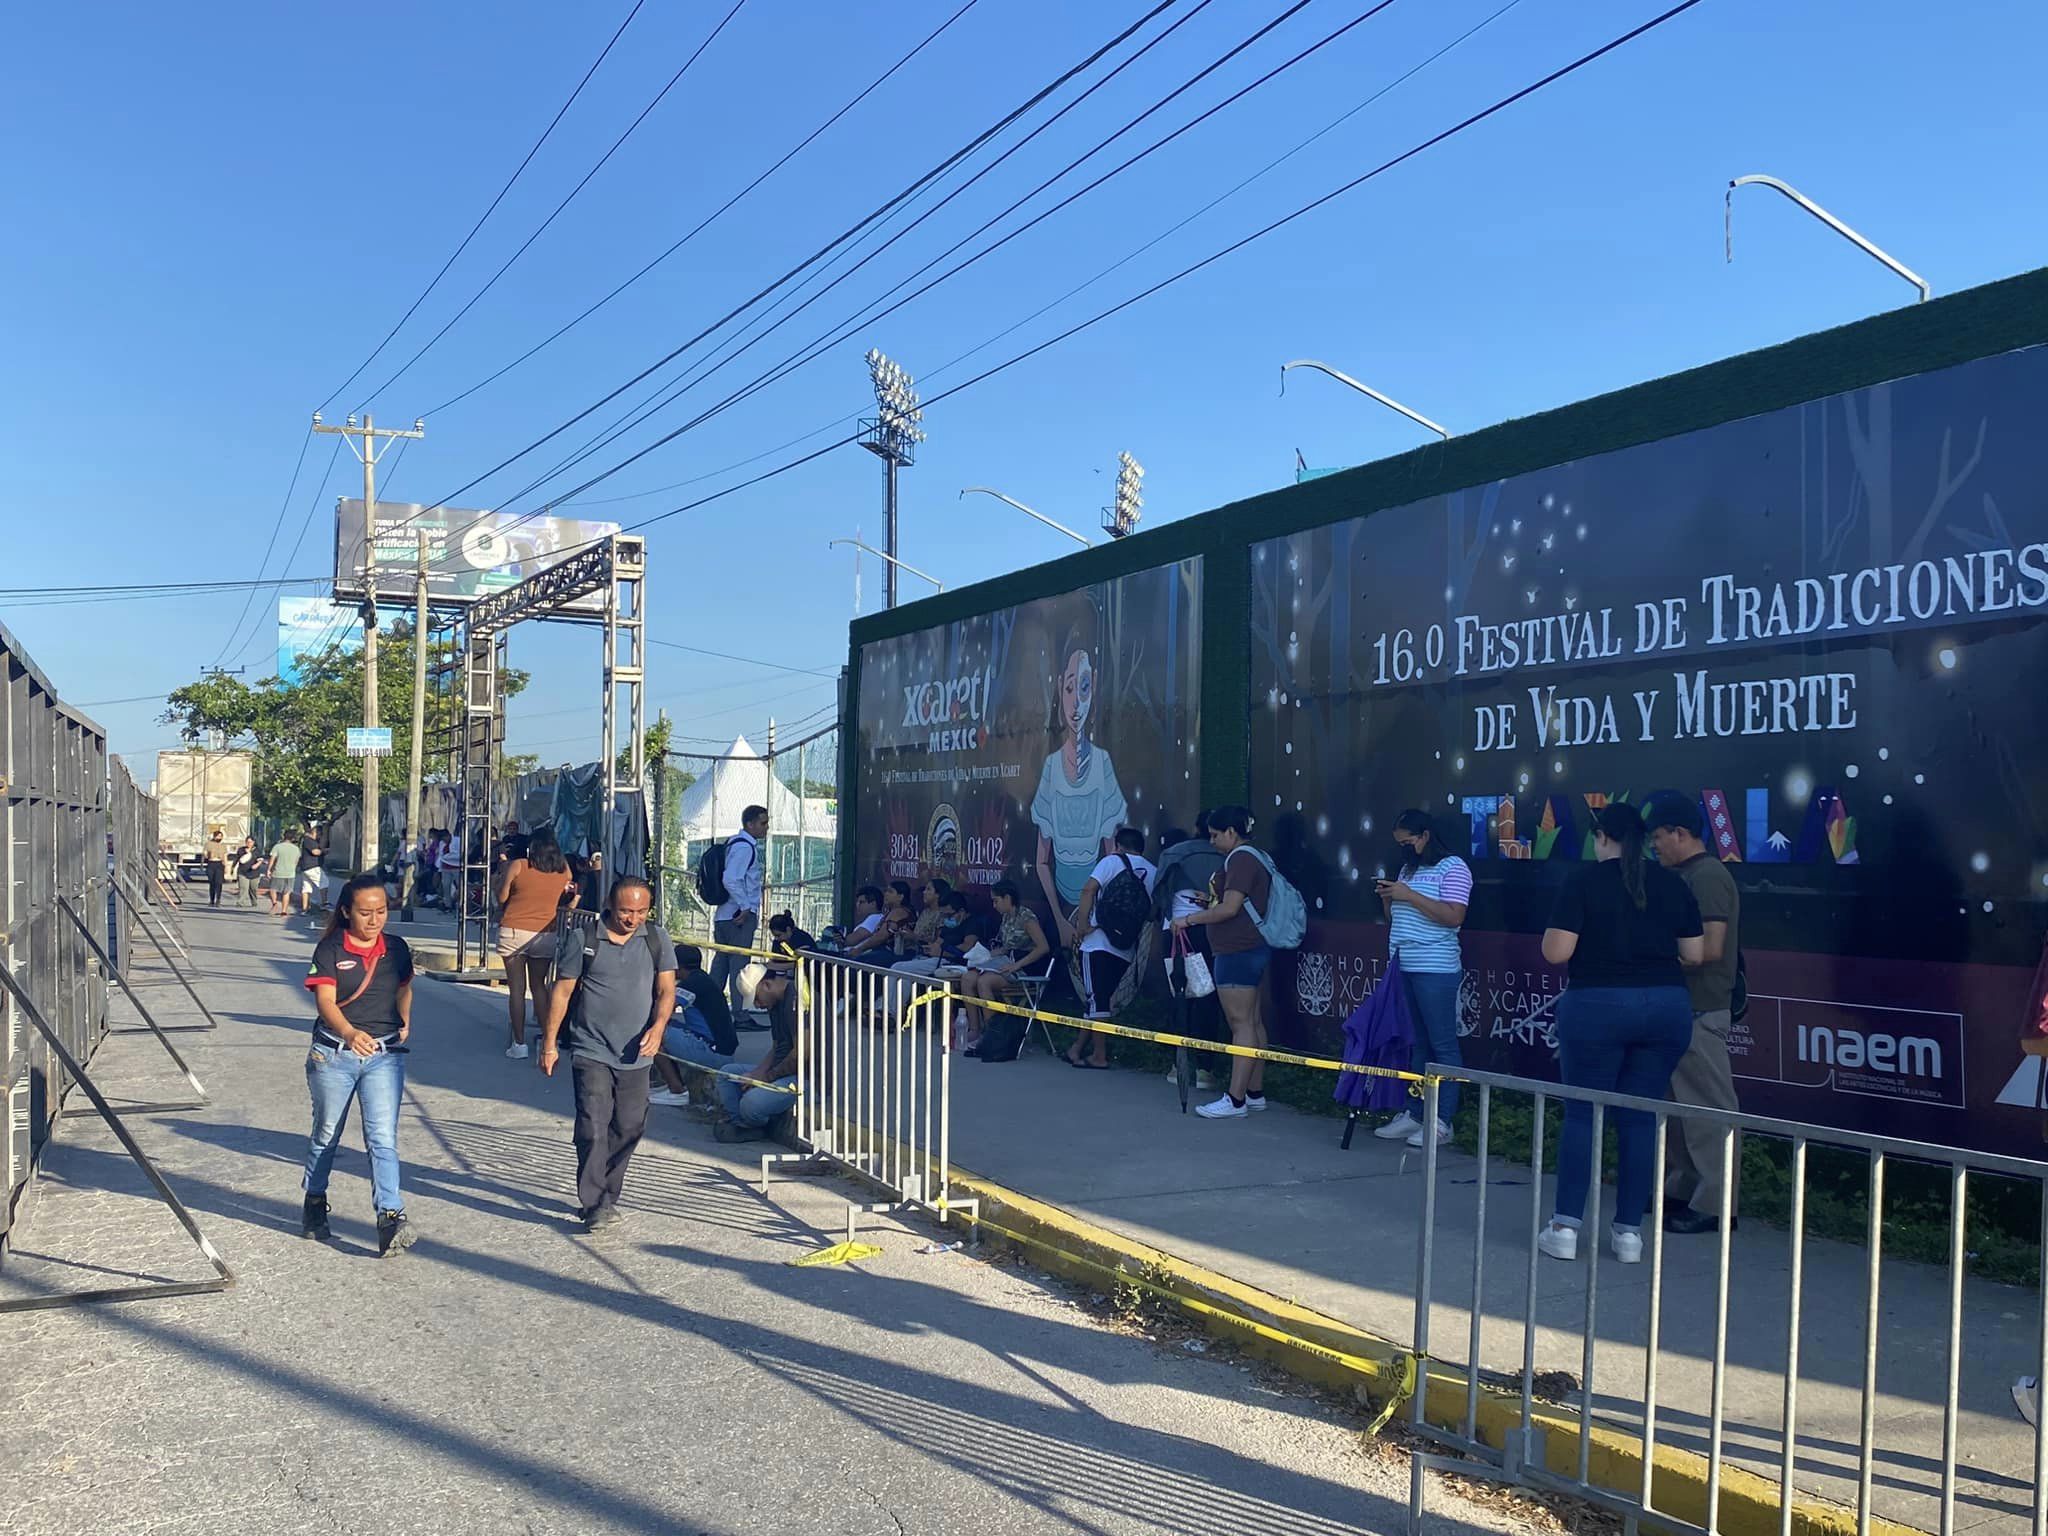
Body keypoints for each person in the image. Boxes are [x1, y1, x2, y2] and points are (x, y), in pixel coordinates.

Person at [1537, 803, 1703, 1265]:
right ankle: (1629, 1234)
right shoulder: (1673, 883)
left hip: (1596, 1005)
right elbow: (1695, 952)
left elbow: (1556, 952)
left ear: (1602, 836)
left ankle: (1565, 1227)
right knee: (1639, 1116)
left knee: (1583, 1115)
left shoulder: (1583, 882)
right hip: (1667, 1006)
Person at [539, 877, 677, 1234]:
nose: (633, 919)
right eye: (626, 911)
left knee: (630, 1125)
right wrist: (550, 1043)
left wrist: (658, 1028)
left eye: (641, 911)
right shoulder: (584, 939)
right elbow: (562, 992)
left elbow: (666, 991)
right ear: (610, 906)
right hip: (591, 1047)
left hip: (636, 1053)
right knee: (592, 1125)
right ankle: (595, 1202)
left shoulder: (656, 939)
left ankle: (608, 1193)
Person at [301, 873, 417, 1257]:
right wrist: (350, 1033)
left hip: (383, 1056)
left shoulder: (397, 949)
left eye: (381, 911)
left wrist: (404, 1022)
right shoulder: (330, 949)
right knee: (327, 1133)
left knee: (382, 1138)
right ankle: (315, 1202)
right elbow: (325, 1003)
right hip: (335, 1054)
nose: (374, 919)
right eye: (366, 912)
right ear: (347, 911)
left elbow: (404, 987)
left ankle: (390, 1216)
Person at [1645, 792, 1743, 1236]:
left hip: (1700, 1009)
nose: (1655, 848)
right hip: (1677, 1007)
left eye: (1659, 838)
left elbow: (1712, 947)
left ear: (1680, 833)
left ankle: (1718, 1202)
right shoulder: (1685, 875)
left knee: (1707, 1111)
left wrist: (1651, 952)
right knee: (1679, 1112)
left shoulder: (1708, 876)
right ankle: (1683, 1187)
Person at [1374, 809, 1472, 1149]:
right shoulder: (1408, 869)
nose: (1404, 848)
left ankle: (1442, 1119)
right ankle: (1415, 1112)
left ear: (1426, 835)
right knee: (1416, 1042)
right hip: (1404, 963)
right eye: (1399, 843)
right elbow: (1398, 917)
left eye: (1408, 841)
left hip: (1437, 967)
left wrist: (1409, 895)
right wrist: (1390, 898)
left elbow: (1453, 915)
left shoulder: (1454, 867)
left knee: (1442, 1044)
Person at [1173, 805, 1272, 1120]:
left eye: (1216, 835)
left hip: (1236, 949)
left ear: (1232, 832)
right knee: (1253, 1022)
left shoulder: (1241, 859)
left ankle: (1236, 1099)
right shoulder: (1256, 856)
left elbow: (1229, 909)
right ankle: (1253, 1093)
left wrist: (1189, 919)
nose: (1212, 841)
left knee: (1240, 1025)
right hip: (1251, 947)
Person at [1032, 623, 1128, 947]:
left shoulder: (1103, 765)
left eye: (1084, 688)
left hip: (1093, 912)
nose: (1075, 704)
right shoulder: (1050, 767)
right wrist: (1059, 921)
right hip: (1062, 903)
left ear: (1095, 687)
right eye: (1070, 689)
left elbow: (1111, 857)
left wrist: (1092, 920)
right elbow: (1042, 861)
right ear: (1060, 688)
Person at [1067, 827, 1157, 1067]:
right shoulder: (1153, 871)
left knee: (1097, 998)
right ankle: (1076, 1049)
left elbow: (1088, 890)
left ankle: (1099, 1056)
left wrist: (1083, 924)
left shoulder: (1112, 861)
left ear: (1118, 846)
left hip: (1098, 941)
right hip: (1125, 946)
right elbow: (1151, 913)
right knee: (1100, 999)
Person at [1155, 815, 1228, 1092]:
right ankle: (1205, 1069)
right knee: (1208, 997)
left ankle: (1178, 1065)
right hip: (1209, 931)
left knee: (1179, 995)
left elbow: (1159, 895)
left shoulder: (1173, 854)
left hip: (1174, 931)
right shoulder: (1227, 856)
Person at [495, 830, 579, 1060]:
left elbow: (502, 897)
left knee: (517, 990)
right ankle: (547, 1041)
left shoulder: (519, 866)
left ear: (532, 848)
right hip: (545, 934)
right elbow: (570, 882)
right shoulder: (562, 870)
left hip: (513, 931)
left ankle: (519, 1043)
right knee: (539, 986)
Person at [959, 880, 1052, 1058]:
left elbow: (1043, 947)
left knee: (984, 981)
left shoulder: (1027, 918)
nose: (994, 905)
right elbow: (1006, 946)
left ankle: (993, 1036)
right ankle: (975, 1030)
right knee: (967, 978)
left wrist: (1017, 965)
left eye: (996, 901)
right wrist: (986, 955)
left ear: (1007, 898)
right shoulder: (1006, 917)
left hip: (1024, 968)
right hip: (1005, 961)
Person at [713, 966, 800, 1143]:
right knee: (726, 1074)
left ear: (767, 984)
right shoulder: (775, 1004)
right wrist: (758, 1073)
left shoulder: (796, 1000)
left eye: (757, 998)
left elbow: (800, 1054)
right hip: (780, 1071)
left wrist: (766, 1078)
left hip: (805, 1076)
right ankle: (744, 1125)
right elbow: (777, 1046)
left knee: (750, 1104)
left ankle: (758, 1124)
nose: (757, 1005)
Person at [650, 945, 739, 1106]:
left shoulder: (691, 984)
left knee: (653, 1033)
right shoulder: (702, 979)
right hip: (719, 1050)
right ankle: (673, 1083)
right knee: (665, 1026)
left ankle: (677, 1090)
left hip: (712, 1052)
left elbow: (662, 1011)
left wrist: (662, 985)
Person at [711, 805, 768, 1016]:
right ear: (749, 824)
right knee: (739, 967)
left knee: (721, 965)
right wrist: (745, 907)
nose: (766, 828)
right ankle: (740, 1014)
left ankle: (711, 1012)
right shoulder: (745, 847)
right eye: (762, 823)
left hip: (725, 915)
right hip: (738, 917)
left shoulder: (734, 843)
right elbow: (731, 879)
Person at [842, 887, 890, 957]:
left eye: (862, 902)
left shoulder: (874, 918)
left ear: (873, 904)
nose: (857, 905)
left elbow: (852, 940)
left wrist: (841, 939)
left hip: (856, 960)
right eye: (857, 902)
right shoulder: (874, 918)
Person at [267, 830, 302, 918]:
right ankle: (284, 911)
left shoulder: (277, 847)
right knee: (286, 893)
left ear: (284, 836)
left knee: (272, 889)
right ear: (293, 838)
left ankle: (275, 903)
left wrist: (268, 869)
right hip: (290, 873)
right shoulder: (296, 849)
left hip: (278, 872)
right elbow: (296, 861)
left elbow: (272, 859)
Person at [298, 825, 330, 915]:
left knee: (306, 888)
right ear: (316, 832)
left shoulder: (306, 840)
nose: (320, 836)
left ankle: (305, 909)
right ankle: (324, 902)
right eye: (320, 834)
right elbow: (315, 852)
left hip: (305, 867)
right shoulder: (309, 841)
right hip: (312, 866)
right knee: (324, 882)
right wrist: (324, 851)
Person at [232, 835, 265, 908]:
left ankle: (254, 902)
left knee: (253, 889)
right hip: (243, 872)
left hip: (254, 873)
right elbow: (238, 859)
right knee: (243, 888)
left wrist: (256, 865)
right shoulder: (241, 850)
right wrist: (232, 868)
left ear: (254, 842)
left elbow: (260, 860)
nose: (248, 843)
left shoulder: (257, 851)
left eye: (250, 842)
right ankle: (240, 903)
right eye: (247, 842)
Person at [203, 828, 229, 907]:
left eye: (221, 836)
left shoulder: (223, 846)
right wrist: (207, 855)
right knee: (212, 882)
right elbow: (204, 853)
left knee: (219, 882)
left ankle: (218, 899)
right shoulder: (208, 844)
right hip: (211, 863)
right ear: (214, 836)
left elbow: (225, 856)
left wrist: (226, 866)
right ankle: (211, 900)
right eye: (218, 836)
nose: (219, 838)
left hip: (219, 864)